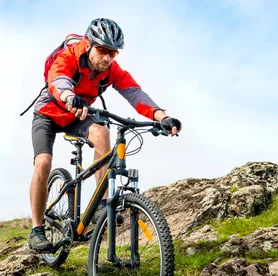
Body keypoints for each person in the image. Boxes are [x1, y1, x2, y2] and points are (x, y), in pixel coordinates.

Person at [28, 17, 182, 252]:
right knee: (43, 162)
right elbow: (57, 80)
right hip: (49, 113)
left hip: (77, 116)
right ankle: (37, 229)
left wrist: (161, 117)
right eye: (102, 50)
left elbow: (134, 93)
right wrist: (69, 96)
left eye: (113, 53)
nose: (107, 58)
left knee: (102, 132)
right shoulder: (68, 57)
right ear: (89, 44)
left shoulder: (111, 70)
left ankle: (101, 202)